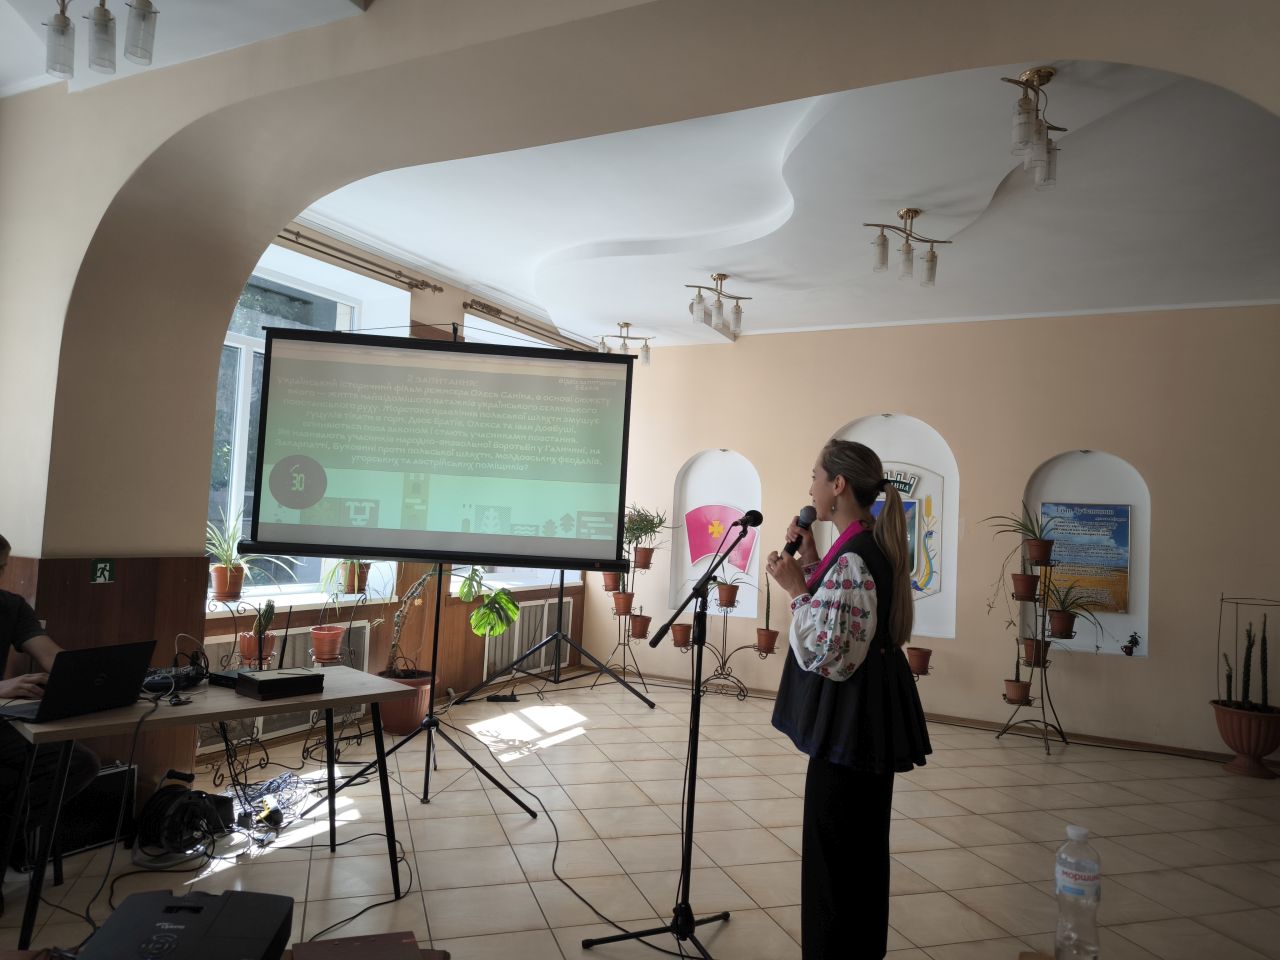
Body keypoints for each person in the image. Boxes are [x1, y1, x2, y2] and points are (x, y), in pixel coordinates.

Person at [766, 440, 931, 960]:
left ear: (838, 485)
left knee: (835, 857)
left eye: (815, 476)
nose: (810, 486)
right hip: (863, 723)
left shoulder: (857, 556)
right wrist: (812, 560)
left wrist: (796, 589)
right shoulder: (859, 547)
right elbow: (844, 610)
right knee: (856, 850)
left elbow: (831, 651)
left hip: (850, 728)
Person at [0, 534, 100, 873]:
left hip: (3, 722)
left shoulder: (11, 606)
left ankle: (7, 841)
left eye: (1, 568)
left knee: (78, 763)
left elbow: (50, 655)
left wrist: (93, 675)